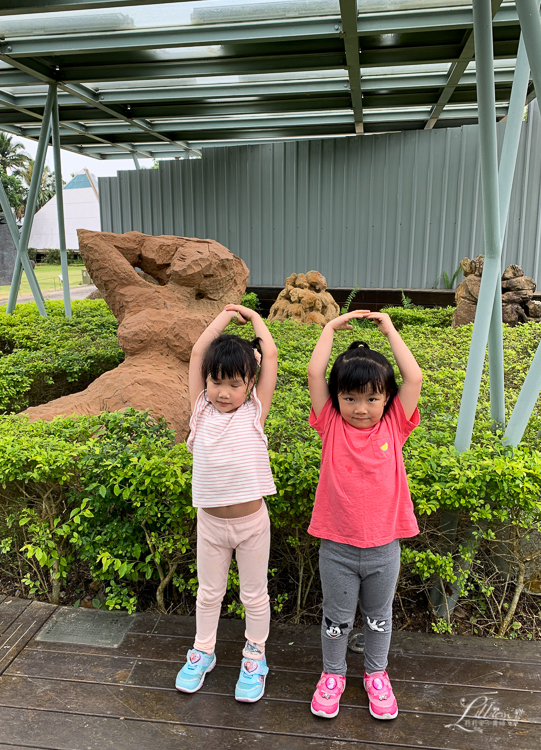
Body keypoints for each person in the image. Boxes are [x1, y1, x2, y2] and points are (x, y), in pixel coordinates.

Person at [307, 310, 422, 721]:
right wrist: (328, 329)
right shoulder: (330, 426)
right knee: (336, 619)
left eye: (372, 398)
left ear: (387, 399)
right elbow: (315, 374)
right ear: (337, 397)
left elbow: (413, 378)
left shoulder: (394, 426)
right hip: (336, 547)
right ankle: (333, 675)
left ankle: (376, 674)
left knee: (378, 619)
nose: (360, 408)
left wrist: (389, 329)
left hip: (383, 549)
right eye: (350, 397)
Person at [175, 303, 278, 703]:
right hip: (212, 526)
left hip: (252, 524)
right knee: (208, 592)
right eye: (216, 382)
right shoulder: (200, 411)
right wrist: (225, 313)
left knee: (254, 595)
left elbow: (269, 355)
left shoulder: (254, 413)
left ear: (250, 385)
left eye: (234, 384)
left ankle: (255, 655)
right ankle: (203, 651)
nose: (223, 392)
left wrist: (254, 319)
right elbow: (198, 351)